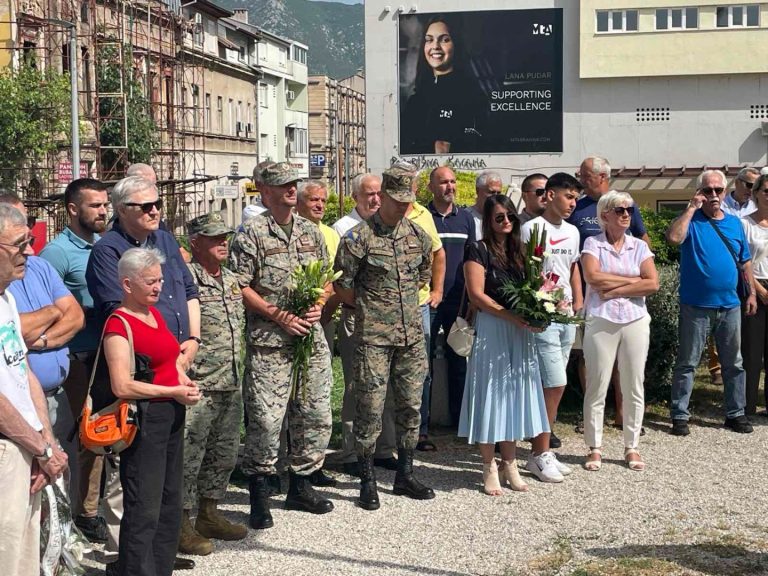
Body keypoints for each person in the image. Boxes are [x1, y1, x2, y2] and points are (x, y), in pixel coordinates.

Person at [86, 175, 200, 573]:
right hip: (144, 409)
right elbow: (121, 382)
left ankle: (161, 565)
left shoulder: (154, 307)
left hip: (171, 402)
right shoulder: (122, 314)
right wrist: (170, 385)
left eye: (160, 281)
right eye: (151, 282)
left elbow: (187, 296)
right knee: (142, 502)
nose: (158, 288)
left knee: (169, 499)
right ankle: (136, 567)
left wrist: (184, 366)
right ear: (128, 284)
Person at [230, 162, 334, 530]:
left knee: (315, 413)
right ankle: (259, 492)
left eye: (294, 183)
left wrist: (319, 303)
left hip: (308, 338)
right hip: (270, 342)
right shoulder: (251, 234)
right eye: (283, 184)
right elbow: (239, 286)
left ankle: (302, 484)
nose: (292, 189)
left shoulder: (311, 231)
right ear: (266, 191)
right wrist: (278, 315)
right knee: (266, 419)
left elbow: (326, 278)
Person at [334, 163, 435, 511]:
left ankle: (405, 474)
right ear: (385, 196)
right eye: (397, 200)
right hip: (372, 339)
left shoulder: (418, 237)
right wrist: (370, 310)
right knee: (370, 409)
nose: (403, 207)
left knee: (410, 406)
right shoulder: (359, 238)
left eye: (408, 201)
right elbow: (342, 285)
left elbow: (423, 276)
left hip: (410, 338)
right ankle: (367, 480)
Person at [459, 194, 551, 495]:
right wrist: (510, 316)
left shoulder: (522, 251)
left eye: (510, 215)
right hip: (494, 326)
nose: (507, 222)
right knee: (491, 394)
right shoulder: (478, 249)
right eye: (499, 217)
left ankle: (510, 461)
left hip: (519, 330)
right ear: (488, 221)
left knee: (513, 395)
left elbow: (537, 289)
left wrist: (541, 310)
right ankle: (488, 464)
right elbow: (476, 295)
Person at [39, 178, 110, 542]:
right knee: (78, 437)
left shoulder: (104, 245)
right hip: (77, 357)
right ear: (72, 209)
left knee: (103, 433)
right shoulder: (57, 253)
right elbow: (48, 309)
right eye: (95, 205)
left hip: (106, 354)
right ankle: (77, 513)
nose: (103, 211)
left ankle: (91, 508)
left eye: (104, 204)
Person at [0, 202, 68, 576]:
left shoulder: (7, 299)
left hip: (26, 445)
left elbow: (22, 372)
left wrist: (48, 441)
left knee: (26, 559)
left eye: (28, 241)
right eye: (19, 244)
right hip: (8, 447)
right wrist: (41, 447)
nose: (29, 251)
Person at [3, 194, 84, 507]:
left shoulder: (38, 269)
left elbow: (75, 315)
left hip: (52, 397)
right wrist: (51, 311)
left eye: (29, 232)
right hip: (15, 416)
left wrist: (44, 339)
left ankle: (60, 550)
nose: (28, 244)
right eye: (19, 238)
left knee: (60, 482)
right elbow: (18, 330)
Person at [666, 169, 757, 436]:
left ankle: (735, 413)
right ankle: (680, 415)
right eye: (708, 190)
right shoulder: (690, 222)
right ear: (699, 193)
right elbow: (673, 238)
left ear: (725, 191)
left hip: (730, 304)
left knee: (734, 363)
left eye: (718, 190)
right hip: (696, 305)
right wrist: (691, 208)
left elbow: (745, 261)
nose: (714, 195)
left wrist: (750, 292)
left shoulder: (734, 223)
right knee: (688, 362)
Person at [178, 214, 248, 556]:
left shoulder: (232, 279)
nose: (223, 242)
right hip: (199, 384)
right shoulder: (186, 280)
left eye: (225, 236)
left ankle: (209, 513)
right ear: (195, 242)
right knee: (190, 457)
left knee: (222, 456)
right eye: (214, 237)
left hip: (230, 381)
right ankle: (181, 524)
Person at [569, 156, 650, 431]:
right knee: (591, 360)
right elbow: (584, 265)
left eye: (584, 175)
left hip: (626, 306)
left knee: (627, 365)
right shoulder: (577, 209)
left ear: (601, 176)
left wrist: (617, 284)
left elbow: (643, 246)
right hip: (592, 297)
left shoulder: (626, 204)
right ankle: (594, 419)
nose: (580, 179)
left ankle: (623, 414)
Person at [581, 191, 658, 472]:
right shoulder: (592, 244)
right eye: (620, 209)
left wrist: (614, 287)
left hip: (635, 319)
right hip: (601, 319)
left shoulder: (639, 246)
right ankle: (595, 446)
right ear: (605, 215)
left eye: (629, 209)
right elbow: (592, 277)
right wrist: (633, 280)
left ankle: (632, 445)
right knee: (597, 383)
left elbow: (653, 284)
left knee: (633, 384)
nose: (627, 214)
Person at [331, 173, 397, 476]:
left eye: (378, 193)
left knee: (386, 385)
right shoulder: (345, 229)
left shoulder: (388, 226)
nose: (375, 199)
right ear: (356, 197)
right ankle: (354, 453)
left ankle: (384, 448)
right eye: (369, 194)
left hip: (386, 319)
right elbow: (339, 282)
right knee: (357, 385)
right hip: (356, 316)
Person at [521, 173, 583, 458]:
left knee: (554, 384)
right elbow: (528, 272)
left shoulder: (573, 231)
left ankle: (543, 444)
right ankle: (540, 452)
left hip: (567, 316)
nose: (572, 203)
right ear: (550, 195)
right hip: (543, 316)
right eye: (568, 196)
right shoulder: (532, 228)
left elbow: (571, 268)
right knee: (555, 382)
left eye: (575, 198)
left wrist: (577, 301)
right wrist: (545, 300)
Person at [296, 179, 340, 487]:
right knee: (289, 404)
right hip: (284, 328)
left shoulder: (326, 234)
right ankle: (282, 466)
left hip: (317, 322)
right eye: (314, 200)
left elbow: (329, 278)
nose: (320, 205)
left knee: (316, 402)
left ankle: (313, 465)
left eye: (323, 200)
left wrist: (320, 303)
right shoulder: (288, 229)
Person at [427, 166, 475, 426]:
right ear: (431, 187)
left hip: (458, 301)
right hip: (430, 301)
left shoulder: (466, 218)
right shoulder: (422, 217)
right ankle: (424, 425)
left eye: (453, 181)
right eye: (443, 182)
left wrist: (471, 301)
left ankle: (460, 422)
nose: (450, 187)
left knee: (459, 360)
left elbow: (472, 260)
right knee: (425, 364)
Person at [401, 14, 487, 154]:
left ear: (456, 44)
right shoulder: (417, 99)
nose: (435, 46)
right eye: (429, 40)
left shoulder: (471, 95)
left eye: (444, 40)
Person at [405, 191, 445, 452]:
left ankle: (420, 431)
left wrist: (436, 290)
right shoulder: (378, 214)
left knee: (421, 370)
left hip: (418, 304)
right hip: (385, 308)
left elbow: (437, 254)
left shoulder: (423, 215)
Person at [741, 173, 768, 415]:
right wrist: (757, 289)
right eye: (766, 190)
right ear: (756, 193)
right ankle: (747, 406)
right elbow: (741, 261)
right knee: (752, 352)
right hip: (754, 288)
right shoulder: (745, 224)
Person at [469, 171, 503, 239]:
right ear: (477, 191)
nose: (495, 197)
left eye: (498, 193)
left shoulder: (503, 218)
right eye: (491, 192)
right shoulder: (467, 217)